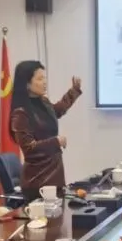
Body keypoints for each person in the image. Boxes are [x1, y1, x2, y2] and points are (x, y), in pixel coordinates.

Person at [8, 60, 81, 202]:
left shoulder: (44, 102)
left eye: (45, 78)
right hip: (37, 180)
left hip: (55, 174)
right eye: (40, 79)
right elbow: (29, 148)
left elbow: (57, 110)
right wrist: (56, 141)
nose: (45, 82)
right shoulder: (20, 113)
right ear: (27, 84)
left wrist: (74, 91)